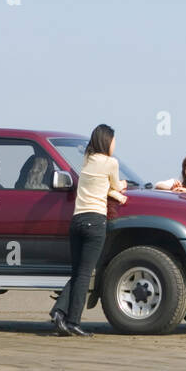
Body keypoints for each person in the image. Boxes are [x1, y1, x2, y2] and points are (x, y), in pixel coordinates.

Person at [52, 123, 127, 336]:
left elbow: (100, 185)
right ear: (107, 141)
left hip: (77, 221)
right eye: (113, 140)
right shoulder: (111, 162)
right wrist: (121, 189)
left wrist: (114, 190)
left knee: (77, 272)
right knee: (85, 275)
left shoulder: (86, 160)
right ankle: (73, 322)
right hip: (95, 221)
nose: (115, 144)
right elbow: (116, 185)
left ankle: (59, 313)